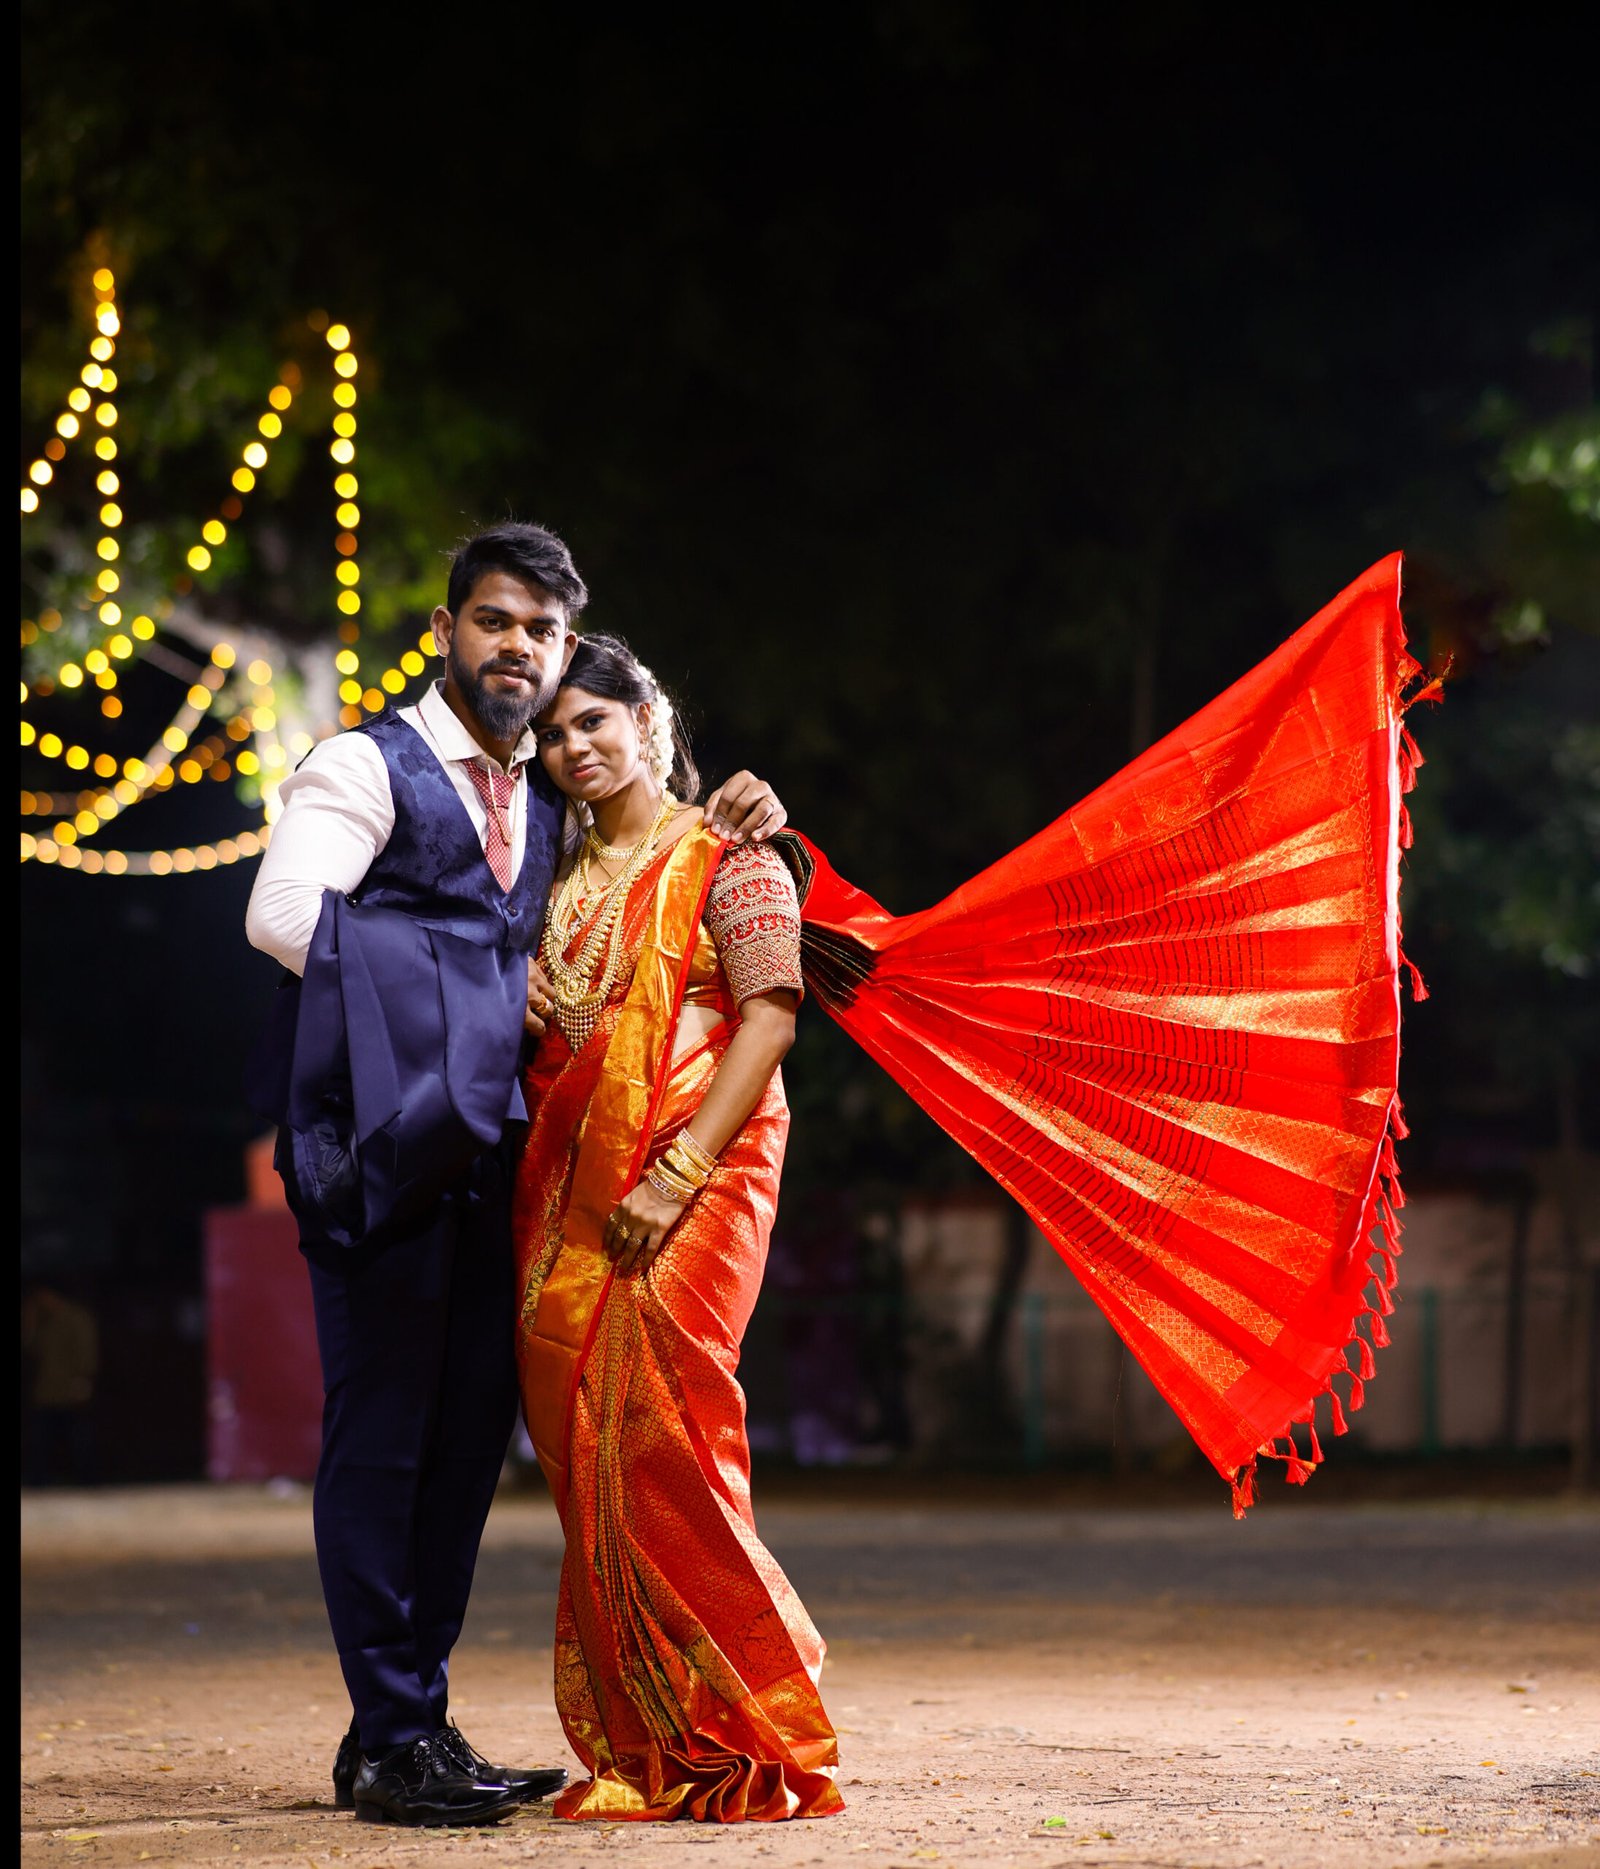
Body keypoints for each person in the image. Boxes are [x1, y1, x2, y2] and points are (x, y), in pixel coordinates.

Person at [512, 554, 1428, 1820]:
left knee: (671, 1431)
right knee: (597, 1455)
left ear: (649, 720)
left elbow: (771, 1023)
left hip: (698, 1173)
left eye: (593, 721)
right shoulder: (548, 884)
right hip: (568, 1198)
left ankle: (753, 1726)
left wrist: (671, 1174)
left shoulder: (727, 852)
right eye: (554, 732)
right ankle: (645, 1740)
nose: (573, 747)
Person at [243, 523, 788, 1828]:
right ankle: (391, 1732)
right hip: (379, 1159)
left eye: (542, 634)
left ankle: (404, 1722)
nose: (520, 652)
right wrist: (458, 1003)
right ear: (445, 632)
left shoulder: (550, 794)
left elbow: (665, 880)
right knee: (382, 1445)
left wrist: (757, 820)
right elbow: (281, 916)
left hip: (508, 1178)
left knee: (463, 1451)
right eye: (497, 623)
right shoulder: (364, 767)